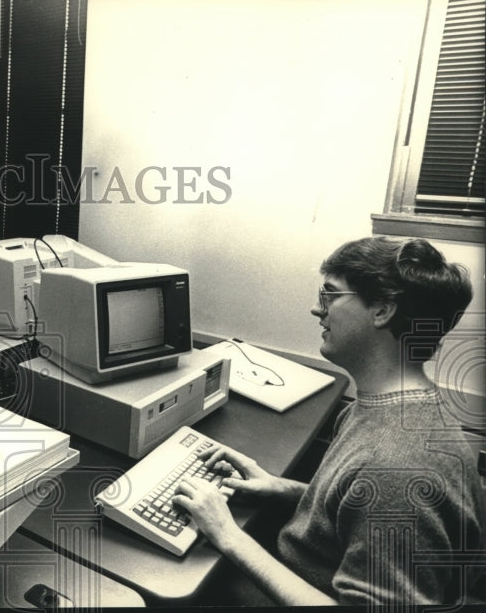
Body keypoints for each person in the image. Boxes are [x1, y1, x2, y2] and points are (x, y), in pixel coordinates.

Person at [172, 236, 484, 606]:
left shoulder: (395, 468)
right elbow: (356, 511)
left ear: (382, 310)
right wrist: (282, 489)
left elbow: (381, 494)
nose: (316, 310)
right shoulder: (386, 409)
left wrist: (229, 537)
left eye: (330, 295)